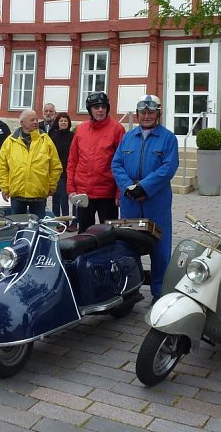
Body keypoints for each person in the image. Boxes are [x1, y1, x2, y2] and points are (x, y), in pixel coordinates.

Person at [112, 95, 179, 302]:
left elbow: (168, 167)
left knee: (159, 250)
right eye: (143, 113)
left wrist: (144, 188)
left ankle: (159, 292)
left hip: (155, 203)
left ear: (158, 113)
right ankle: (132, 288)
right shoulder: (128, 137)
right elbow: (117, 164)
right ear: (138, 114)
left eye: (151, 112)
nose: (147, 116)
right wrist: (129, 188)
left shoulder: (168, 138)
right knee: (129, 247)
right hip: (130, 202)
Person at [67, 91, 125, 233]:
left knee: (109, 233)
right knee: (85, 234)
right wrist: (71, 189)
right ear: (90, 110)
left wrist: (120, 192)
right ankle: (84, 256)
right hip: (84, 194)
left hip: (107, 193)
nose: (100, 110)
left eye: (103, 107)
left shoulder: (117, 129)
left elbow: (123, 163)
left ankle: (109, 256)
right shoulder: (80, 129)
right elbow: (73, 160)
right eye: (96, 107)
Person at [0, 109, 62, 217]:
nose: (36, 122)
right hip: (17, 194)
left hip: (39, 194)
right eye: (32, 120)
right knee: (18, 227)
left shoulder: (46, 140)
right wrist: (4, 187)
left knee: (37, 228)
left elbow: (55, 166)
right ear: (22, 123)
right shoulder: (10, 141)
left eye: (36, 119)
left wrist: (52, 185)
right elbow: (2, 166)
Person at [49, 112, 75, 226]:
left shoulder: (73, 136)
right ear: (57, 123)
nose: (63, 122)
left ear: (68, 123)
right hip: (57, 171)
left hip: (70, 170)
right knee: (57, 198)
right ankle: (58, 223)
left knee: (68, 197)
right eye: (61, 121)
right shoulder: (53, 137)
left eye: (65, 120)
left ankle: (69, 222)